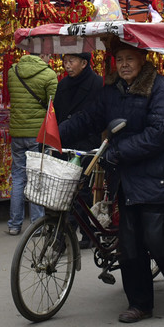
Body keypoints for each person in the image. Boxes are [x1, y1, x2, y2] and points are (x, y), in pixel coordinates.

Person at [59, 41, 164, 323]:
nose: (124, 65)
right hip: (126, 175)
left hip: (159, 174)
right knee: (129, 243)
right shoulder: (112, 90)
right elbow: (90, 118)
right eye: (119, 59)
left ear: (143, 59)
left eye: (129, 59)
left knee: (157, 238)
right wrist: (55, 134)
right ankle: (140, 303)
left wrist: (118, 151)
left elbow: (160, 133)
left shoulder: (160, 88)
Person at [53, 51, 102, 248]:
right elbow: (57, 113)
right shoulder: (63, 84)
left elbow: (96, 117)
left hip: (86, 144)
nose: (67, 65)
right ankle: (80, 233)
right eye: (65, 61)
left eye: (71, 61)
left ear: (83, 63)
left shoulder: (97, 84)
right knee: (67, 190)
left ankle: (75, 235)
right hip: (66, 144)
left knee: (82, 191)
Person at [5, 52, 57, 236]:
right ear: (43, 54)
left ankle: (14, 224)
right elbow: (53, 104)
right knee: (36, 178)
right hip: (37, 133)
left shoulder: (13, 71)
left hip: (17, 132)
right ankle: (37, 224)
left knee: (18, 177)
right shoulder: (49, 74)